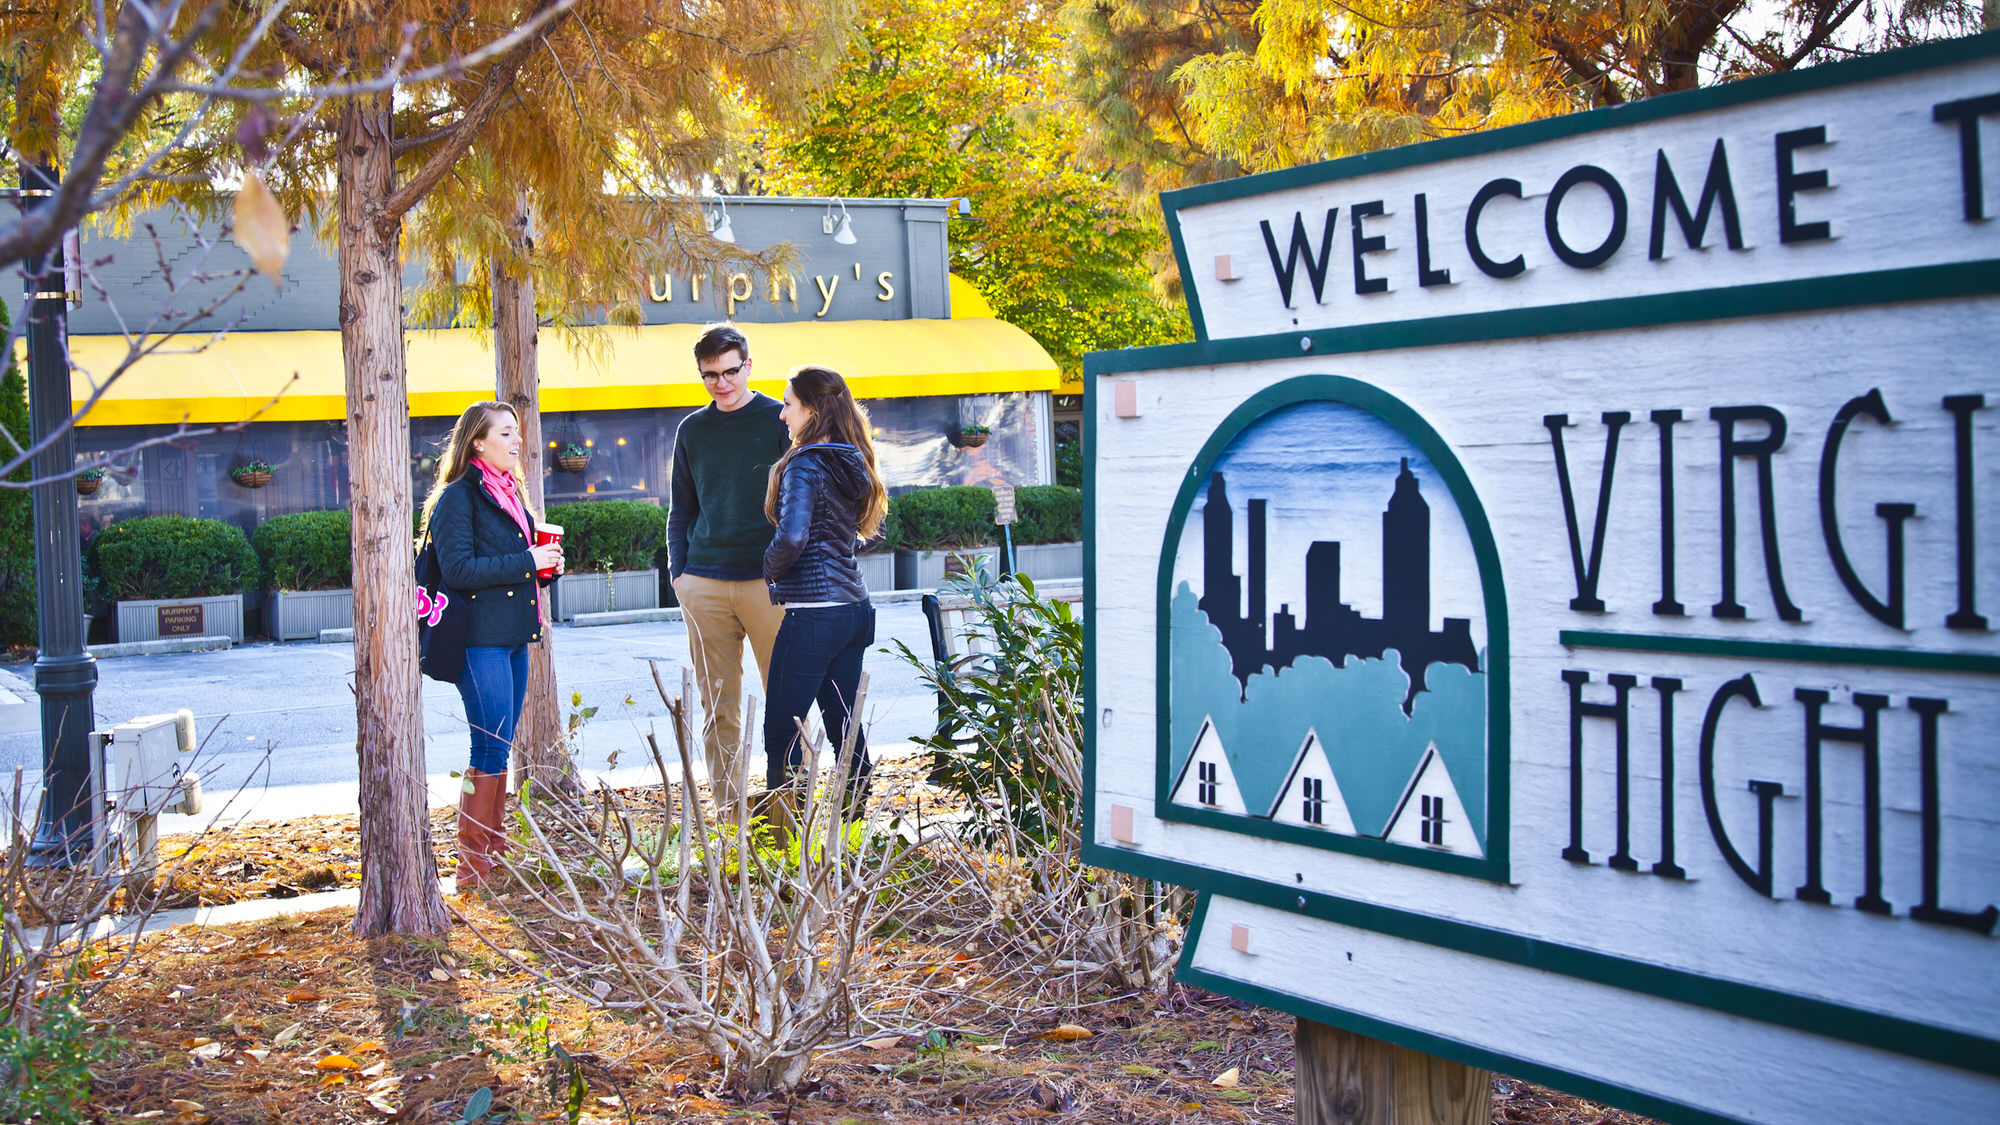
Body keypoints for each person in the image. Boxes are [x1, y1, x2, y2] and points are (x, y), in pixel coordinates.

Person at [420, 401, 564, 890]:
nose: (517, 440)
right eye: (506, 432)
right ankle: (472, 864)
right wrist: (527, 559)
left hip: (511, 638)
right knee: (487, 747)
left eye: (517, 432)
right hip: (477, 641)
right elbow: (459, 570)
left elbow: (512, 563)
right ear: (478, 442)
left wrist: (543, 566)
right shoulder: (457, 498)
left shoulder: (507, 492)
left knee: (497, 746)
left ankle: (493, 851)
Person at [668, 324, 791, 822]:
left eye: (730, 371)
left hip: (770, 583)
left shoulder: (780, 419)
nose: (721, 383)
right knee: (719, 707)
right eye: (710, 375)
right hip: (705, 583)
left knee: (787, 704)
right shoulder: (691, 430)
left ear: (749, 366)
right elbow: (681, 509)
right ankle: (730, 819)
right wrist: (680, 574)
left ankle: (789, 820)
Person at [761, 365, 888, 810]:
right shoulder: (852, 459)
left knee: (782, 731)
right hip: (853, 611)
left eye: (788, 404)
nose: (782, 415)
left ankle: (786, 839)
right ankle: (850, 834)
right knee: (844, 727)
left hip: (814, 613)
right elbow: (850, 535)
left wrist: (770, 569)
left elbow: (793, 536)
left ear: (812, 410)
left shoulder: (806, 462)